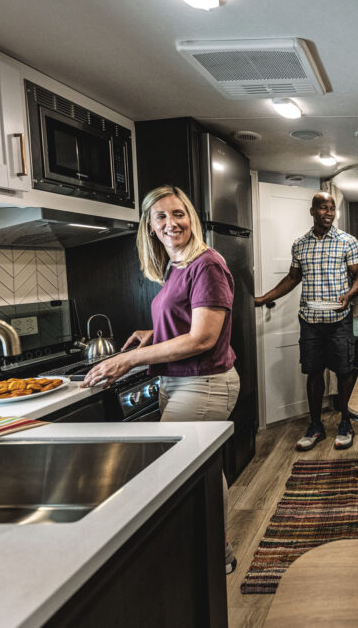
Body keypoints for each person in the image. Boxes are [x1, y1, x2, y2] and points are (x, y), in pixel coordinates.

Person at [81, 184, 240, 571]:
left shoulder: (207, 264)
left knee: (177, 470)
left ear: (191, 217)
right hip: (181, 381)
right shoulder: (176, 265)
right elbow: (188, 320)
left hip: (203, 383)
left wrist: (131, 360)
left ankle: (208, 556)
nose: (172, 223)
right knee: (199, 468)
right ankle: (213, 552)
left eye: (179, 213)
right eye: (161, 217)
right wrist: (154, 334)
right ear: (150, 227)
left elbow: (204, 337)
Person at [254, 192, 358, 450]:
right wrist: (263, 298)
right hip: (310, 320)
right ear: (312, 211)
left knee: (345, 372)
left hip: (339, 319)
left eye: (332, 208)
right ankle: (315, 426)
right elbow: (293, 278)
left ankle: (346, 423)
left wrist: (349, 295)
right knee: (313, 373)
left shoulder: (347, 241)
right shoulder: (300, 244)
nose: (328, 212)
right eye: (323, 208)